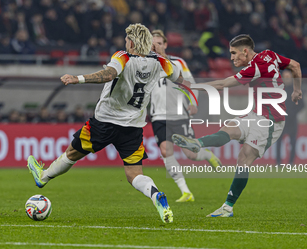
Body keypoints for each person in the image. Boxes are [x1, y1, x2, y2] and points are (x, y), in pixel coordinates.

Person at [27, 23, 188, 224]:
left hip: (104, 122)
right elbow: (180, 77)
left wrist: (77, 78)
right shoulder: (162, 62)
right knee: (134, 175)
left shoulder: (123, 56)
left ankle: (43, 177)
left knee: (72, 153)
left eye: (126, 39)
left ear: (131, 41)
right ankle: (155, 195)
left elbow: (109, 74)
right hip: (133, 127)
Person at [172, 34, 302, 217]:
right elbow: (295, 65)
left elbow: (223, 83)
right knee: (229, 129)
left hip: (271, 121)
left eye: (234, 53)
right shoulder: (269, 54)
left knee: (244, 158)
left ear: (245, 51)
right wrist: (297, 90)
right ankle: (197, 144)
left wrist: (190, 86)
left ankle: (227, 207)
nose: (232, 58)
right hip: (256, 114)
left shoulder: (255, 67)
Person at [150, 29, 222, 202]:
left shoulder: (178, 62)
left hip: (180, 114)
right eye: (153, 44)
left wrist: (193, 103)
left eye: (159, 43)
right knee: (166, 150)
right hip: (158, 116)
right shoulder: (146, 64)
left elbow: (191, 84)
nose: (156, 47)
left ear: (165, 44)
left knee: (191, 153)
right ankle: (186, 192)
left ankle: (208, 155)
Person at [276, 70, 304, 165]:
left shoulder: (296, 90)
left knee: (293, 142)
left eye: (288, 76)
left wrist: (292, 113)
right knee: (278, 142)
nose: (286, 78)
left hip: (292, 121)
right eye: (285, 76)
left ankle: (291, 162)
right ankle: (278, 163)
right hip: (281, 121)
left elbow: (302, 105)